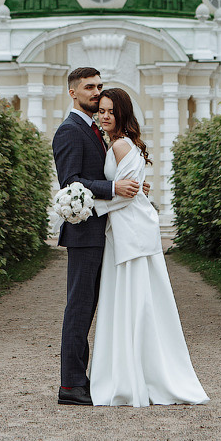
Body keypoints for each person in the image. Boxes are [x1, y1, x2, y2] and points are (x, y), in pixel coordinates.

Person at [89, 88, 208, 406]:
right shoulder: (123, 143)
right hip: (130, 231)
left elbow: (126, 193)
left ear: (122, 113)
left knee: (134, 302)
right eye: (101, 110)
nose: (104, 115)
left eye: (110, 111)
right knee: (139, 302)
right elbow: (132, 188)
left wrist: (85, 203)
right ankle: (138, 372)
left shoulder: (121, 144)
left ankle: (133, 376)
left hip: (131, 235)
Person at [52, 67, 143, 406]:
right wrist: (112, 187)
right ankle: (71, 385)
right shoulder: (70, 131)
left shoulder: (92, 129)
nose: (96, 92)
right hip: (84, 233)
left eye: (99, 86)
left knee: (89, 307)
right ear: (72, 92)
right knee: (79, 307)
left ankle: (84, 379)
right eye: (89, 87)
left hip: (99, 230)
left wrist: (128, 185)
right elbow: (70, 182)